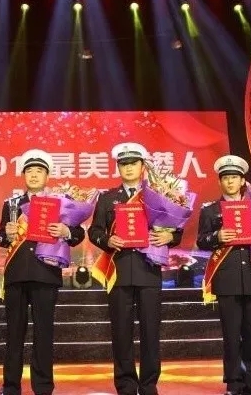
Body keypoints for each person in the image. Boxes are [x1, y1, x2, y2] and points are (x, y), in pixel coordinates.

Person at [88, 142, 182, 395]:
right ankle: (126, 385)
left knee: (151, 331)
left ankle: (149, 385)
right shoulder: (107, 198)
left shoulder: (158, 195)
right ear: (118, 168)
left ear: (142, 167)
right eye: (123, 164)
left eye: (133, 163)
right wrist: (107, 240)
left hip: (148, 270)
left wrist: (169, 237)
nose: (128, 168)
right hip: (118, 271)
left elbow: (176, 229)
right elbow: (94, 231)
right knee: (121, 332)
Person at [0, 149, 85, 395]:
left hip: (46, 274)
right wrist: (7, 234)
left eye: (39, 171)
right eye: (29, 171)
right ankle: (10, 387)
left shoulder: (59, 202)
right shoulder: (12, 204)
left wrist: (66, 231)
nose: (34, 175)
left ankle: (43, 387)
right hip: (16, 275)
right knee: (14, 334)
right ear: (23, 175)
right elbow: (0, 237)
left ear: (47, 176)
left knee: (44, 333)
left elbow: (78, 234)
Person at [196, 155, 251, 395]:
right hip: (226, 278)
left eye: (234, 177)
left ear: (243, 181)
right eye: (225, 178)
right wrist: (217, 237)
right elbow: (201, 241)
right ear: (219, 182)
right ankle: (234, 383)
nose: (230, 182)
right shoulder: (210, 210)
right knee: (231, 334)